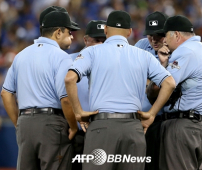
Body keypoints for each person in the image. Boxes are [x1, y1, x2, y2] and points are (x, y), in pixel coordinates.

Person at [65, 10, 176, 170]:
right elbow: (169, 83)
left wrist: (78, 112)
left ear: (105, 30)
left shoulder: (91, 51)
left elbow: (69, 79)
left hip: (101, 127)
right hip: (133, 128)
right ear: (130, 32)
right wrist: (151, 114)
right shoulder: (143, 55)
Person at [1, 10, 79, 170]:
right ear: (58, 32)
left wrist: (19, 123)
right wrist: (73, 126)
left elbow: (6, 93)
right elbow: (65, 99)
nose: (71, 36)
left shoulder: (21, 55)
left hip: (25, 123)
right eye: (69, 31)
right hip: (51, 124)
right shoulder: (61, 56)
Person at [149, 15, 202, 170]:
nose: (164, 41)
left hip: (181, 127)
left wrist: (162, 65)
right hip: (197, 126)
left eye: (166, 35)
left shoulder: (186, 51)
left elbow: (162, 86)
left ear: (177, 35)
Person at [70, 20, 106, 170]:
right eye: (96, 40)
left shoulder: (117, 63)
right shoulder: (69, 61)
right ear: (85, 40)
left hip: (105, 131)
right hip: (77, 133)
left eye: (104, 41)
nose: (100, 44)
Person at [135, 11, 168, 170]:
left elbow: (163, 85)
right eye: (150, 35)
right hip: (137, 118)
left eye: (159, 35)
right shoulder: (141, 45)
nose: (154, 39)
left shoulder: (175, 50)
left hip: (160, 120)